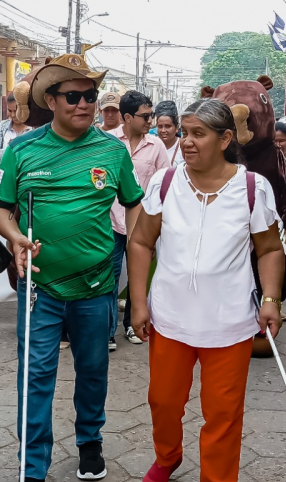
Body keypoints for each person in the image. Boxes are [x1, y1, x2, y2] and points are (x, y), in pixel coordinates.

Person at [0, 54, 145, 482]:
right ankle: (32, 469)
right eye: (73, 96)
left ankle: (90, 442)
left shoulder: (113, 152)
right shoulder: (22, 150)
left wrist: (135, 247)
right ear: (51, 101)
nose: (84, 104)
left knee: (93, 371)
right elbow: (0, 206)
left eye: (90, 96)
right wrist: (15, 235)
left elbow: (133, 202)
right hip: (40, 289)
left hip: (97, 287)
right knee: (35, 378)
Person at [128, 98, 284, 482]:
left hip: (229, 323)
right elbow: (141, 243)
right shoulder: (166, 181)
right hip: (171, 320)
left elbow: (270, 249)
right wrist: (139, 303)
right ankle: (167, 457)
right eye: (185, 132)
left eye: (198, 134)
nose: (186, 142)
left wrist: (270, 298)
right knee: (162, 401)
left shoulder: (252, 188)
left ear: (225, 139)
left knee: (222, 414)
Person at [107, 91, 170, 349]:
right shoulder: (107, 143)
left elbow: (165, 186)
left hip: (142, 225)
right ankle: (108, 331)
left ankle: (133, 326)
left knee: (138, 276)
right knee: (109, 278)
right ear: (127, 117)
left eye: (151, 115)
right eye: (145, 116)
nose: (150, 121)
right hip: (109, 223)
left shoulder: (156, 147)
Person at [0, 93, 33, 164]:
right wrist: (12, 147)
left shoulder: (34, 128)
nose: (13, 115)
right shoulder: (3, 126)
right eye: (10, 111)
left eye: (16, 111)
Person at [154, 101, 185, 166]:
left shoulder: (183, 148)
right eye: (160, 126)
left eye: (168, 126)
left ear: (176, 128)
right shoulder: (151, 146)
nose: (163, 130)